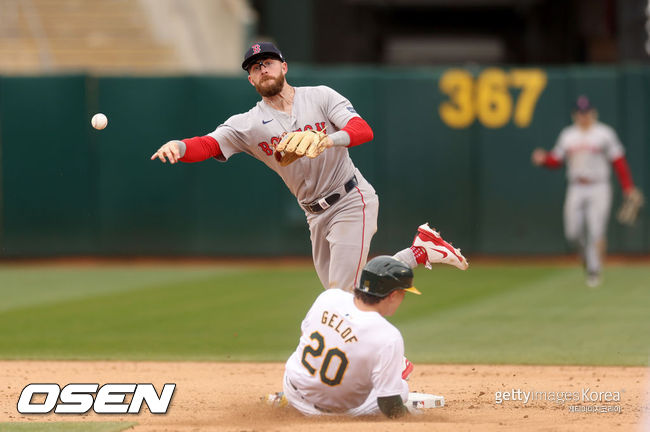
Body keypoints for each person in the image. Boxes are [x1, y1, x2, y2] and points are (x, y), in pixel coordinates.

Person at [151, 41, 466, 291]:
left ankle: (392, 364)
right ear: (250, 79)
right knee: (353, 293)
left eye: (268, 62)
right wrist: (178, 147)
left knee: (340, 298)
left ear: (284, 67)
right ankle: (419, 251)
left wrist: (326, 140)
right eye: (255, 67)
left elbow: (362, 130)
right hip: (314, 215)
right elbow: (208, 144)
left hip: (351, 199)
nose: (263, 69)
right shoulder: (247, 125)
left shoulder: (320, 97)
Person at [276, 224, 468, 418]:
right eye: (403, 293)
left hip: (293, 393)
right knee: (400, 388)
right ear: (393, 295)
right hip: (331, 413)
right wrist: (412, 419)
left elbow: (305, 337)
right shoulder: (387, 336)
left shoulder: (328, 298)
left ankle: (283, 397)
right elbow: (389, 405)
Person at [531, 95, 641, 287]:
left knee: (596, 229)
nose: (584, 116)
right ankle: (587, 258)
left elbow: (619, 162)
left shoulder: (604, 133)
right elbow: (557, 160)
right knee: (572, 232)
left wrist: (627, 187)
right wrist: (544, 159)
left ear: (593, 112)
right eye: (580, 112)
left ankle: (594, 270)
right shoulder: (568, 135)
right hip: (576, 187)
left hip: (599, 186)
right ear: (575, 115)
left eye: (586, 112)